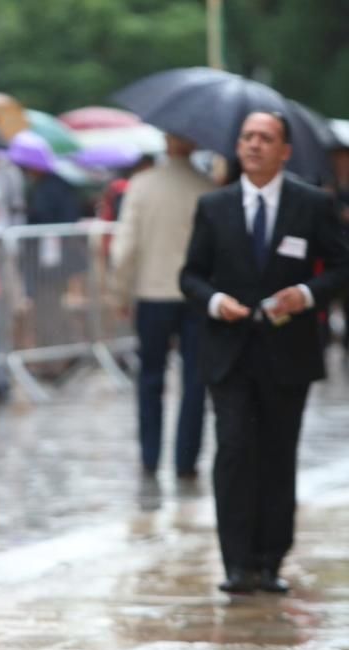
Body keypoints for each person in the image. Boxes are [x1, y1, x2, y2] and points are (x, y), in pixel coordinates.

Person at [180, 111, 349, 595]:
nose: (254, 145)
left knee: (277, 454)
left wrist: (307, 294)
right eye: (248, 137)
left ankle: (270, 559)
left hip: (287, 352)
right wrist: (215, 302)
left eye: (265, 138)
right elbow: (191, 275)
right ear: (238, 146)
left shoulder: (312, 204)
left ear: (285, 151)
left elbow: (341, 266)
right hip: (229, 352)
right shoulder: (214, 206)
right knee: (233, 450)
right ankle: (235, 562)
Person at [110, 136, 215, 479]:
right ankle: (186, 460)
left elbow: (124, 247)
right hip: (196, 297)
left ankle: (150, 456)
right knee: (194, 381)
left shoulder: (142, 185)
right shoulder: (207, 187)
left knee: (150, 378)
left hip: (153, 293)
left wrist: (120, 293)